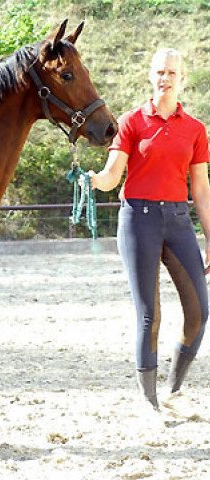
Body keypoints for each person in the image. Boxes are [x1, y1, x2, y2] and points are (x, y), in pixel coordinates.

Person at [89, 48, 210, 409]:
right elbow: (114, 174)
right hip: (137, 219)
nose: (165, 78)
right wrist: (96, 180)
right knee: (149, 314)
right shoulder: (132, 122)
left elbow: (201, 189)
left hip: (177, 220)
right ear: (150, 77)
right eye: (160, 72)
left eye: (172, 72)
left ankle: (173, 387)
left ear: (182, 79)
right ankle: (150, 400)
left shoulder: (195, 129)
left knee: (200, 311)